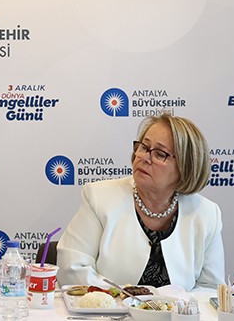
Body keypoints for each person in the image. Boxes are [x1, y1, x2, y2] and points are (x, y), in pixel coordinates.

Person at [58, 113, 225, 291]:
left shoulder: (207, 214)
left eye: (159, 154)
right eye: (144, 147)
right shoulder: (99, 197)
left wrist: (173, 305)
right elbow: (71, 270)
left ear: (185, 167)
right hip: (110, 308)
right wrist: (125, 300)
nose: (143, 157)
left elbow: (211, 289)